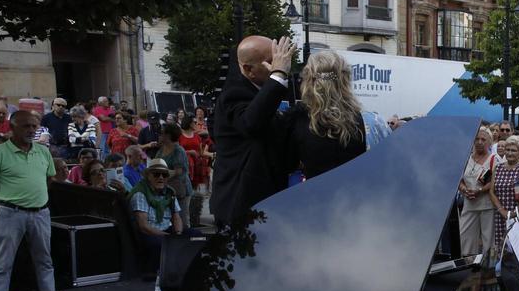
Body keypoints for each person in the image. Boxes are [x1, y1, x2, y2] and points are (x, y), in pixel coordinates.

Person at [210, 34, 295, 227]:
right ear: (248, 69)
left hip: (264, 202)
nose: (279, 65)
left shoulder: (262, 91)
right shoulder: (234, 93)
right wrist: (278, 75)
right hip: (240, 204)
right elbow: (251, 123)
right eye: (272, 62)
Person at [0, 111, 57, 291]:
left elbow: (49, 179)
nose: (31, 130)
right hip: (10, 213)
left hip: (41, 213)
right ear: (12, 127)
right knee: (2, 264)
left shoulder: (43, 151)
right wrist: (9, 200)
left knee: (45, 261)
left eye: (34, 126)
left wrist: (35, 199)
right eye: (26, 126)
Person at [278, 51, 367, 181]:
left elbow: (287, 164)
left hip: (316, 195)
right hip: (355, 195)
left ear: (308, 82)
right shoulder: (362, 119)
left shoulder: (297, 119)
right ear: (345, 80)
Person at [129, 157, 186, 281]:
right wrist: (168, 237)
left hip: (167, 230)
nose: (160, 177)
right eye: (156, 174)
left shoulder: (170, 192)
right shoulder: (140, 193)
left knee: (195, 235)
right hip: (149, 233)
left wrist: (178, 234)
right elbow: (143, 226)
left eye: (164, 175)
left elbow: (177, 217)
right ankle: (153, 273)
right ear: (148, 176)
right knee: (159, 244)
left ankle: (186, 269)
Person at [488, 135, 519, 258]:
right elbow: (492, 191)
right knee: (502, 245)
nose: (509, 153)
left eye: (513, 150)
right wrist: (501, 210)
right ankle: (502, 271)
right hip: (501, 215)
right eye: (508, 150)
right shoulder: (498, 168)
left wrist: (514, 212)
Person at [458, 126, 496, 256]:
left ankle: (489, 267)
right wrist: (464, 189)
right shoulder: (465, 158)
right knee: (464, 235)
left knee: (489, 238)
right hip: (469, 203)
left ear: (490, 142)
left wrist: (479, 190)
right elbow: (458, 178)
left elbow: (494, 181)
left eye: (483, 139)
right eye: (477, 139)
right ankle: (468, 264)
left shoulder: (494, 159)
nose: (479, 142)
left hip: (488, 205)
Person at [153, 122, 192, 213]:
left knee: (182, 219)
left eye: (162, 133)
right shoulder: (161, 150)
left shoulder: (178, 151)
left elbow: (178, 171)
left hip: (180, 190)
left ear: (169, 135)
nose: (159, 135)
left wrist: (160, 175)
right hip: (166, 189)